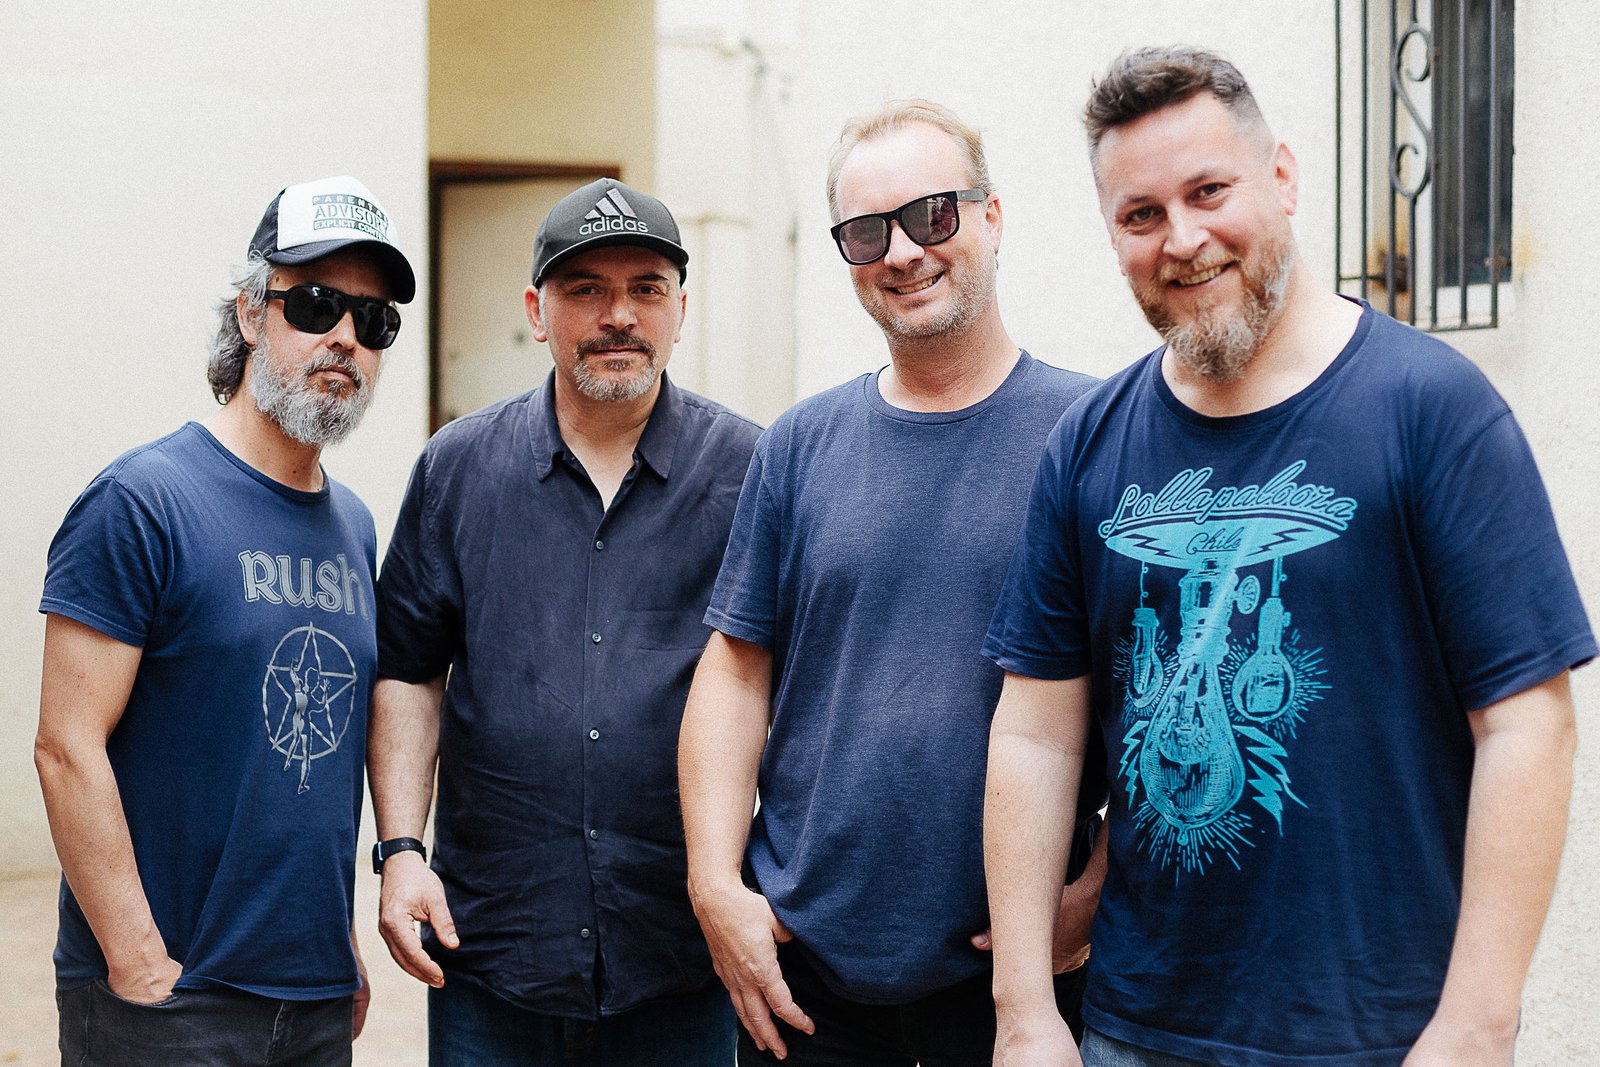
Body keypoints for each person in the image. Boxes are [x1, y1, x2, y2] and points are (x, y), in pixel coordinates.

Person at [981, 46, 1593, 1067]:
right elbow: (1037, 734)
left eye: (1209, 191)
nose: (1183, 239)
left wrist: (1477, 1024)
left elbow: (1527, 725)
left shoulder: (1433, 410)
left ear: (1283, 178)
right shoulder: (1087, 444)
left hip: (1383, 1037)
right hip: (1135, 1029)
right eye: (1141, 214)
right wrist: (1025, 1011)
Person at [679, 100, 1105, 1066]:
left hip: (1018, 978)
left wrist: (1104, 883)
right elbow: (735, 672)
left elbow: (1156, 684)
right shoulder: (800, 444)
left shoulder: (1092, 435)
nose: (904, 251)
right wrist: (715, 885)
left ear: (993, 217)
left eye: (932, 214)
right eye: (867, 231)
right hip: (808, 984)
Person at [369, 177, 759, 1066]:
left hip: (683, 957)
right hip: (493, 954)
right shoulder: (457, 469)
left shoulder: (751, 471)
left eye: (646, 288)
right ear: (535, 311)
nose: (619, 314)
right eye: (586, 288)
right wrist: (400, 850)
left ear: (681, 309)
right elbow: (409, 671)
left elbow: (791, 683)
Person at [35, 174, 415, 1066]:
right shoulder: (142, 501)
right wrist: (136, 959)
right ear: (250, 312)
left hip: (314, 997)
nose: (345, 337)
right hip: (169, 1001)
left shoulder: (354, 525)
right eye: (315, 304)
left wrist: (333, 944)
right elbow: (64, 746)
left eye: (373, 320)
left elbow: (313, 766)